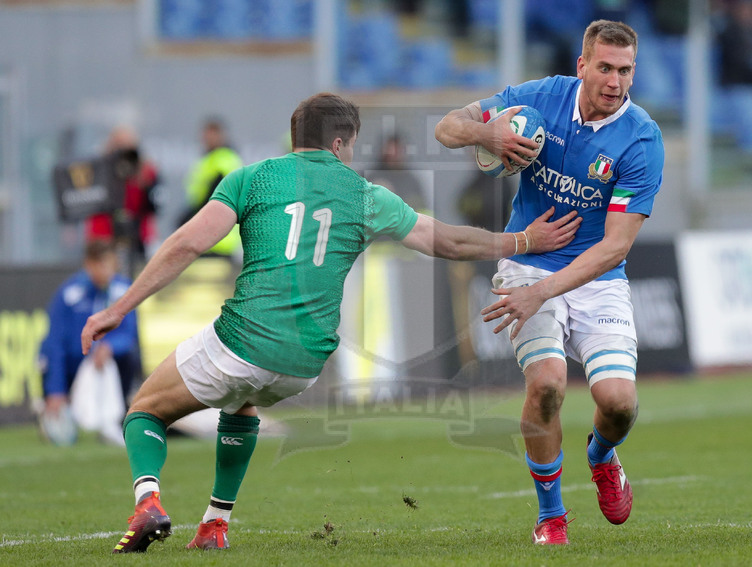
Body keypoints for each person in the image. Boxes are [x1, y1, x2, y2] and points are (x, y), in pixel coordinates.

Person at [80, 92, 582, 554]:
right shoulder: (364, 195)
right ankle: (215, 525)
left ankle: (148, 502)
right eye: (351, 146)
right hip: (306, 362)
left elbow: (187, 244)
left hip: (244, 339)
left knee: (144, 409)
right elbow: (448, 242)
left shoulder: (251, 178)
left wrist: (117, 308)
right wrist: (523, 241)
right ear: (340, 143)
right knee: (243, 402)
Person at [435, 20, 664, 545]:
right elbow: (446, 127)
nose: (615, 81)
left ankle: (602, 455)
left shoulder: (642, 140)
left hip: (595, 277)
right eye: (604, 68)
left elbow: (615, 246)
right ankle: (551, 515)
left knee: (619, 402)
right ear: (582, 65)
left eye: (625, 70)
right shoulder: (539, 99)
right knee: (546, 387)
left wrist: (545, 291)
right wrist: (485, 132)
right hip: (527, 264)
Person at [39, 239, 141, 438]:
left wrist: (109, 346)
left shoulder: (124, 291)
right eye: (102, 264)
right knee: (62, 436)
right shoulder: (69, 294)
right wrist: (56, 390)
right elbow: (56, 344)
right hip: (74, 364)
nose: (107, 271)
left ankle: (118, 417)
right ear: (89, 264)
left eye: (111, 264)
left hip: (106, 364)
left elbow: (129, 335)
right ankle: (54, 407)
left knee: (128, 357)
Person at [85, 127, 160, 277]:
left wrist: (142, 180)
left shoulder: (145, 170)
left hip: (138, 238)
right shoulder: (99, 168)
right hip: (105, 235)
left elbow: (153, 206)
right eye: (119, 147)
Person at [182, 117, 244, 259]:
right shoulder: (207, 159)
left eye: (212, 135)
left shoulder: (224, 159)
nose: (207, 139)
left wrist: (188, 219)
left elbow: (214, 199)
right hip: (207, 236)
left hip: (217, 236)